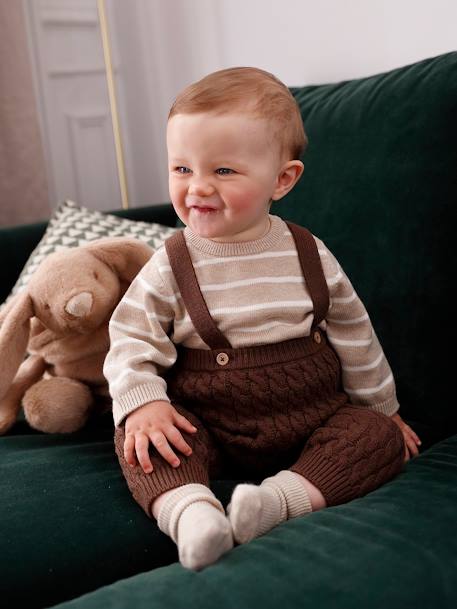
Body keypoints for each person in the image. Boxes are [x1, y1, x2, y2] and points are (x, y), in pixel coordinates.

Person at [103, 67, 421, 571]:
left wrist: (383, 407)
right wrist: (143, 403)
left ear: (283, 179)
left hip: (313, 417)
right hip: (208, 422)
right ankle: (191, 514)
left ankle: (276, 503)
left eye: (223, 171)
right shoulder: (171, 262)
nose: (198, 187)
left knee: (377, 437)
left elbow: (355, 334)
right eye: (182, 169)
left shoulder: (307, 251)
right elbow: (130, 336)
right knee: (140, 441)